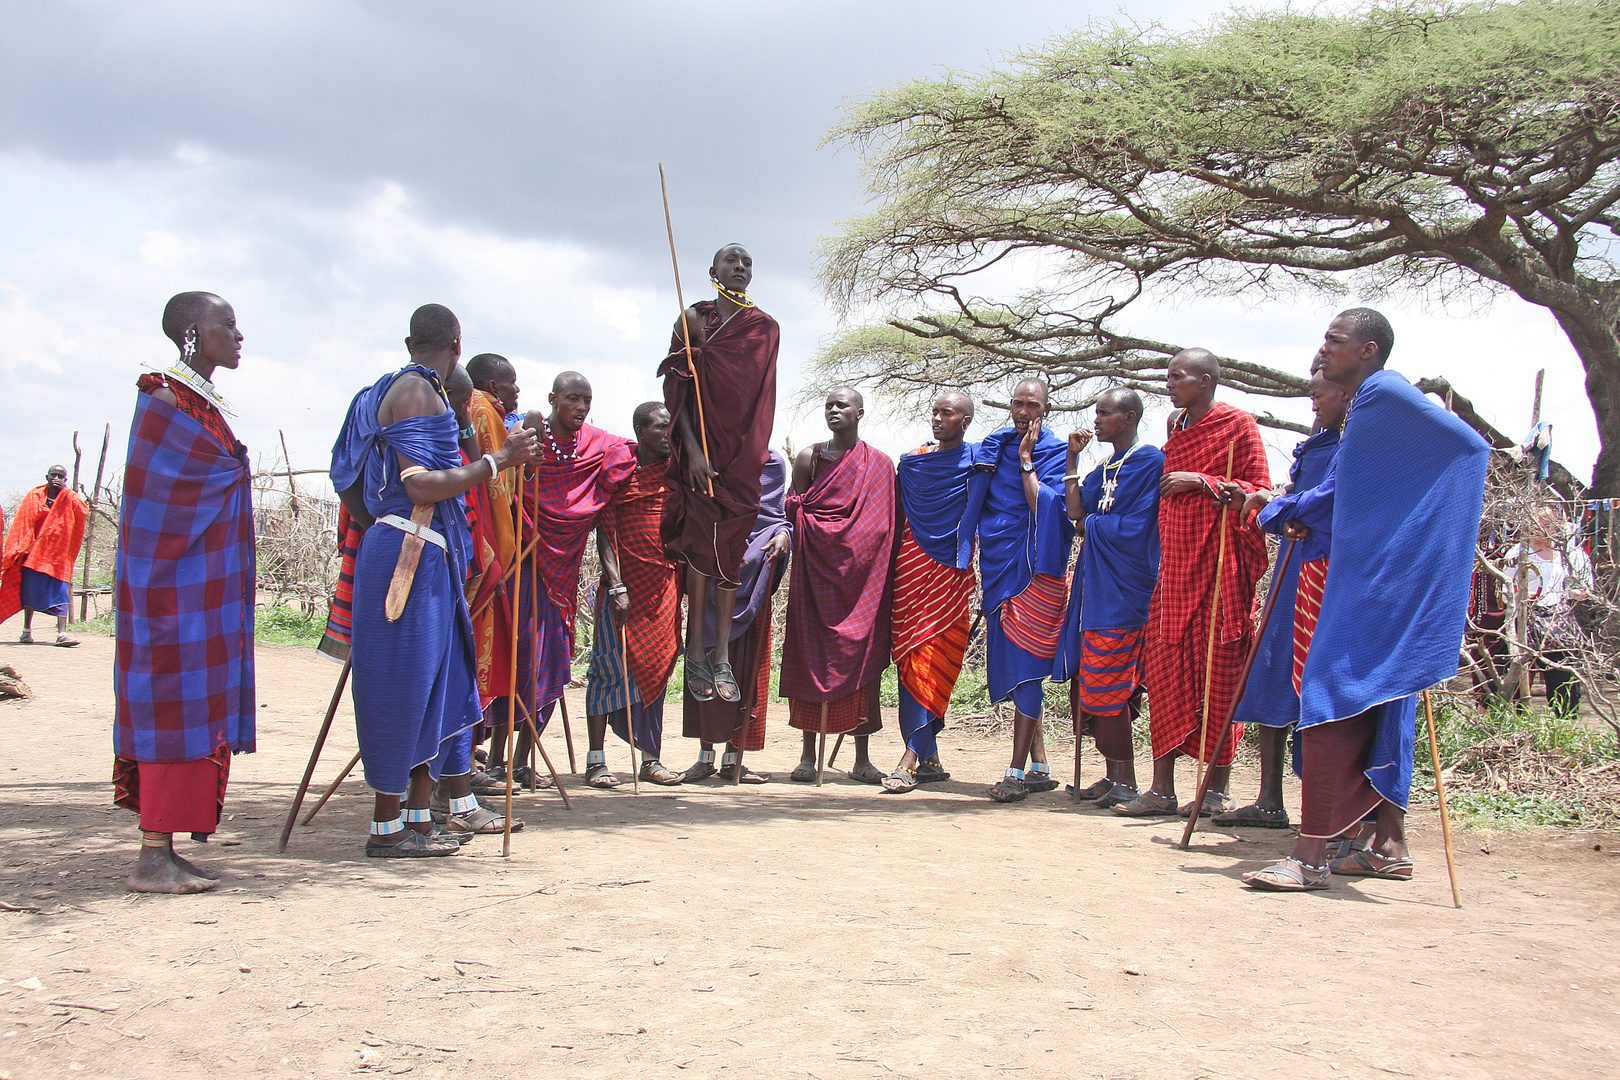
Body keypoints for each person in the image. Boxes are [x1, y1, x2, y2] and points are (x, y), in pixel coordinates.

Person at [1243, 308, 1489, 891]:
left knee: (1333, 697)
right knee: (1378, 703)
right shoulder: (1369, 406)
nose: (1323, 351)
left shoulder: (1381, 396)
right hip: (1373, 577)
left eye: (1334, 341)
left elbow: (1463, 449)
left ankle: (1309, 859)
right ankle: (1387, 847)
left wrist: (1280, 511)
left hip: (1372, 583)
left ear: (1369, 350)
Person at [332, 304, 537, 857]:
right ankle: (387, 828)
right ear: (456, 342)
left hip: (410, 547)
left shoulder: (373, 395)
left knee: (438, 685)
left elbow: (346, 480)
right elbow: (422, 484)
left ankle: (420, 819)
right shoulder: (419, 392)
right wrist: (500, 460)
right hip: (411, 554)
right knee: (405, 687)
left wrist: (381, 518)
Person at [113, 291, 256, 892]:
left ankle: (165, 848)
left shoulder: (200, 402)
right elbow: (163, 498)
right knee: (171, 701)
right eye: (228, 324)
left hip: (200, 588)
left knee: (196, 702)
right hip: (168, 589)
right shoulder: (166, 399)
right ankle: (152, 855)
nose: (239, 334)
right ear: (193, 332)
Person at [1114, 350, 1270, 818]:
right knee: (1163, 672)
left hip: (1220, 570)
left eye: (1178, 377)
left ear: (1205, 381)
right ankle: (1162, 788)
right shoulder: (1175, 425)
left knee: (1218, 673)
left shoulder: (1238, 425)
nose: (1169, 384)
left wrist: (1201, 483)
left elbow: (1257, 490)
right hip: (1176, 568)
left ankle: (1217, 788)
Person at [493, 372, 636, 781]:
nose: (581, 407)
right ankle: (494, 759)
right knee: (517, 657)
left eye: (587, 400)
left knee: (549, 663)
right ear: (554, 399)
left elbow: (629, 452)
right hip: (524, 563)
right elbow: (506, 476)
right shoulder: (530, 436)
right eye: (573, 399)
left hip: (562, 576)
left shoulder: (595, 444)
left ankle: (523, 760)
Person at [1220, 370, 1347, 829]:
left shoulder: (1353, 448)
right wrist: (1272, 502)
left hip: (1326, 574)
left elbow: (1319, 505)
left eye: (1320, 393)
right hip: (1292, 570)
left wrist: (1271, 508)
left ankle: (1333, 813)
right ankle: (1270, 799)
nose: (1312, 403)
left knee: (1320, 686)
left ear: (1346, 392)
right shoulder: (1320, 442)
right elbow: (1299, 502)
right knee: (1272, 671)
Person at [660, 244, 778, 705]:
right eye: (732, 261)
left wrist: (748, 454)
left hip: (742, 455)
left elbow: (762, 398)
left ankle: (722, 653)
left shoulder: (765, 328)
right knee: (697, 548)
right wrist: (690, 451)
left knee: (730, 550)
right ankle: (695, 649)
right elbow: (677, 392)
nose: (741, 267)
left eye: (748, 262)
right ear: (713, 271)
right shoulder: (693, 320)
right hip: (701, 453)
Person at [962, 379, 1074, 803]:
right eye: (1017, 403)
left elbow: (1045, 506)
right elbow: (976, 499)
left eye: (1032, 404)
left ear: (1047, 409)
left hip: (1038, 571)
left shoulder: (1056, 452)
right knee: (1015, 664)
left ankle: (1014, 771)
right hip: (998, 564)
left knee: (1027, 666)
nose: (1023, 411)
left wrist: (1026, 459)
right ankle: (1040, 764)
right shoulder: (994, 446)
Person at [1054, 388, 1164, 808]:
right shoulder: (1106, 465)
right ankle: (1115, 775)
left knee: (1110, 681)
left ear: (1130, 417)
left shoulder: (1149, 460)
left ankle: (1126, 779)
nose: (1095, 420)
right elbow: (1077, 513)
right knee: (1090, 679)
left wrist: (1092, 526)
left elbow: (1135, 527)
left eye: (1104, 413)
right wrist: (1071, 461)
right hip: (1094, 582)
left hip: (1123, 587)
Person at [781, 387, 896, 783]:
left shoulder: (879, 465)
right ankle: (807, 755)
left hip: (862, 583)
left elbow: (883, 527)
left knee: (860, 660)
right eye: (828, 404)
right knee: (810, 658)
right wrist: (819, 532)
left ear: (859, 413)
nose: (833, 410)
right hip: (814, 576)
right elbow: (795, 508)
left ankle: (861, 758)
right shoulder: (809, 458)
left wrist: (856, 548)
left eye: (841, 405)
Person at [583, 402, 684, 787]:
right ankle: (597, 762)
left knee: (657, 668)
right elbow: (604, 531)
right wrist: (617, 585)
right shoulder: (618, 473)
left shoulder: (674, 474)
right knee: (607, 670)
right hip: (622, 591)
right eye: (661, 428)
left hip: (663, 589)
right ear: (641, 431)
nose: (667, 435)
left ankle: (651, 759)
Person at [884, 392, 978, 793]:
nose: (938, 418)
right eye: (934, 412)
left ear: (966, 420)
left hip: (951, 573)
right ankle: (930, 755)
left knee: (936, 658)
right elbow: (896, 514)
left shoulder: (978, 462)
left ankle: (910, 756)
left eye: (947, 413)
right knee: (911, 659)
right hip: (911, 566)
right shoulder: (914, 461)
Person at [679, 450, 791, 784]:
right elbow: (698, 511)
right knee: (706, 665)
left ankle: (734, 759)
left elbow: (775, 516)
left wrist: (784, 535)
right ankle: (704, 756)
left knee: (745, 671)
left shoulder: (771, 461)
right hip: (710, 575)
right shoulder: (712, 455)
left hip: (753, 574)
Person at [1512, 506, 1592, 718]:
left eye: (1550, 524)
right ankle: (1518, 721)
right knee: (1521, 674)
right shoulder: (1520, 552)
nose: (1545, 529)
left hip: (1557, 618)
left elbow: (1574, 584)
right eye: (1541, 523)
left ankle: (1565, 718)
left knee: (1564, 669)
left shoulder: (1566, 553)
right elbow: (1505, 588)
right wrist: (1521, 596)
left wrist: (1574, 593)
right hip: (1527, 617)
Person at [1, 465, 89, 647]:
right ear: (47, 476)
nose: (56, 478)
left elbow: (82, 512)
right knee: (29, 593)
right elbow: (24, 522)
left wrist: (66, 495)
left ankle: (62, 634)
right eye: (53, 475)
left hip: (58, 556)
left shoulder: (71, 497)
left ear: (65, 480)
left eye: (61, 476)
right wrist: (21, 547)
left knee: (60, 592)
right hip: (33, 554)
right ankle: (26, 631)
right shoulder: (34, 496)